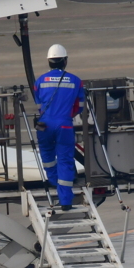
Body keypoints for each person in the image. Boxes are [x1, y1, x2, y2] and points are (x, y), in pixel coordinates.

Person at [34, 44, 84, 210]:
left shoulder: (40, 80)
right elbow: (80, 106)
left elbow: (39, 105)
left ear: (49, 61)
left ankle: (53, 181)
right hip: (65, 125)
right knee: (65, 160)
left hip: (44, 124)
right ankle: (65, 201)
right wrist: (67, 115)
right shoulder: (76, 81)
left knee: (47, 155)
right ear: (65, 61)